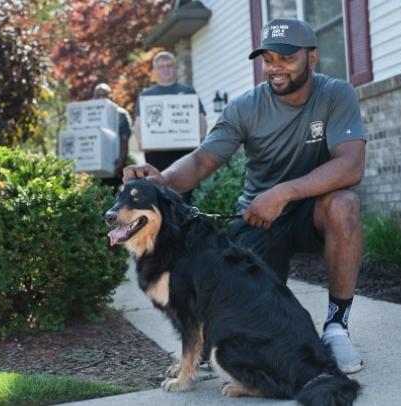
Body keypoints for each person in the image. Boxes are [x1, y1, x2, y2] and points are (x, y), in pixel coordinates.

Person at [123, 18, 366, 374]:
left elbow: (351, 166)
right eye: (268, 59)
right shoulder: (245, 107)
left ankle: (336, 327)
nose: (275, 68)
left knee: (345, 204)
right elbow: (204, 158)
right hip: (258, 217)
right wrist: (164, 179)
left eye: (286, 58)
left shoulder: (336, 94)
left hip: (311, 209)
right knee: (250, 310)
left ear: (312, 59)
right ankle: (218, 341)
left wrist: (283, 192)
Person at [133, 51, 207, 203]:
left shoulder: (188, 91)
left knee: (184, 194)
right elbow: (139, 122)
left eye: (169, 66)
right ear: (155, 70)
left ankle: (184, 225)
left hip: (185, 152)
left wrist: (201, 140)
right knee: (159, 192)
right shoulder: (147, 95)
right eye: (161, 67)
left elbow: (200, 118)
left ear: (175, 68)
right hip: (156, 153)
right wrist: (141, 143)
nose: (165, 69)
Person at [93, 83, 131, 191]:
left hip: (113, 169)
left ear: (111, 97)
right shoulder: (88, 116)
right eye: (98, 95)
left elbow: (124, 140)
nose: (101, 98)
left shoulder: (121, 114)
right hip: (92, 171)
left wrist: (121, 161)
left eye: (104, 95)